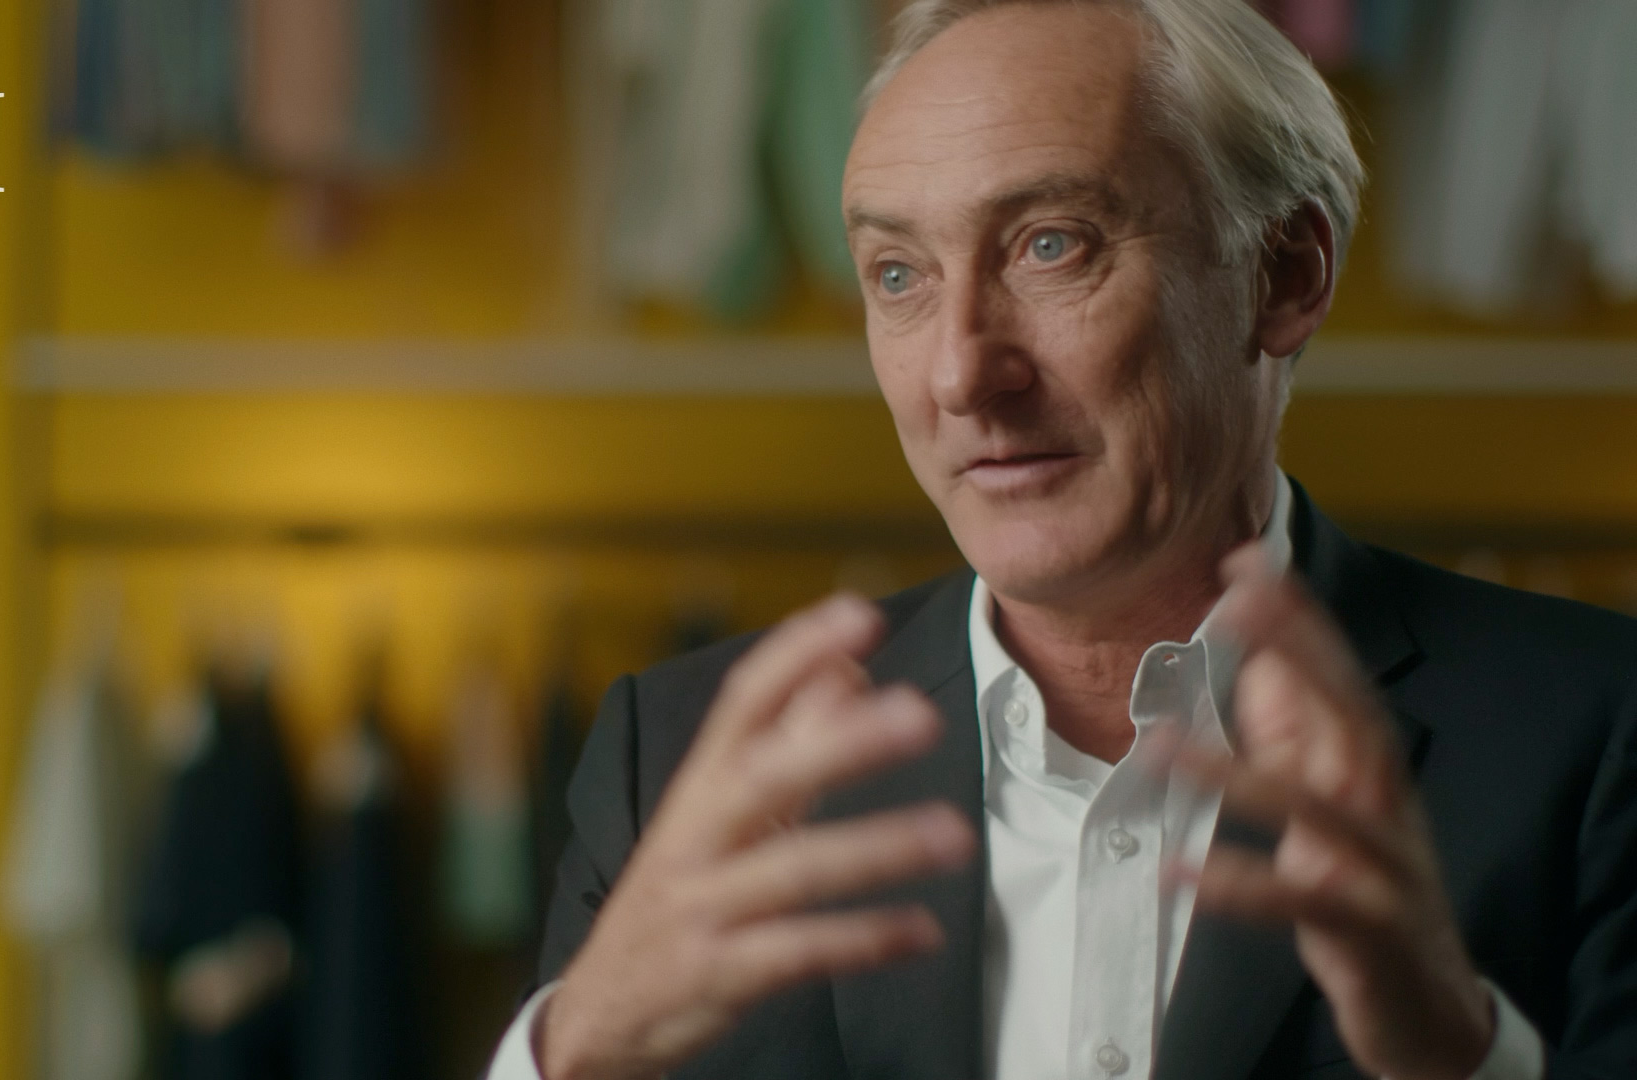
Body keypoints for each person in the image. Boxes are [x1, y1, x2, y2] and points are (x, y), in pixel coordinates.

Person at [487, 1, 1637, 1078]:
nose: (961, 373)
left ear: (1285, 276)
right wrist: (573, 1048)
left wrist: (1462, 1058)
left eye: (1051, 245)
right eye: (899, 275)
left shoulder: (1600, 733)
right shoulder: (673, 762)